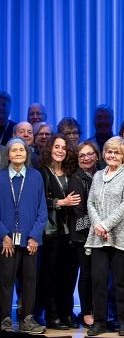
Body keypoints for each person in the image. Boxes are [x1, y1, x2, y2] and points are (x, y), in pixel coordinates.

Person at [85, 136, 124, 336]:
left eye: (117, 152)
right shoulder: (98, 174)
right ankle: (99, 322)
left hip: (122, 234)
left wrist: (106, 224)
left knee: (121, 282)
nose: (112, 155)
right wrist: (99, 224)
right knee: (98, 280)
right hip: (98, 235)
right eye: (109, 151)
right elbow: (90, 202)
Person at [0, 138, 47, 333]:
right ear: (8, 155)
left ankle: (27, 318)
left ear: (27, 154)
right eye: (14, 150)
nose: (18, 153)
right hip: (6, 240)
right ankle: (4, 319)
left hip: (30, 240)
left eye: (22, 150)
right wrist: (3, 235)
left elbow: (42, 210)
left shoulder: (36, 177)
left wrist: (35, 236)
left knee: (30, 280)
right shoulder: (1, 177)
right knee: (5, 280)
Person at [37, 134, 80, 330]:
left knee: (69, 276)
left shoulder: (72, 173)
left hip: (71, 233)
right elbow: (36, 203)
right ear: (50, 149)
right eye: (57, 146)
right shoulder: (42, 172)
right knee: (51, 275)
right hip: (51, 232)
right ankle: (52, 315)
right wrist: (60, 203)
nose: (60, 150)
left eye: (64, 147)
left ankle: (66, 313)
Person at [66, 141, 100, 328]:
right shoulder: (76, 179)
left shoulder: (102, 174)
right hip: (82, 236)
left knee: (99, 275)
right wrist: (100, 224)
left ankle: (98, 311)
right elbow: (79, 214)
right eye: (82, 155)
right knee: (86, 274)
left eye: (89, 154)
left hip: (101, 233)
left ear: (97, 155)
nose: (86, 158)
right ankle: (86, 312)